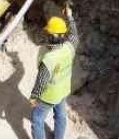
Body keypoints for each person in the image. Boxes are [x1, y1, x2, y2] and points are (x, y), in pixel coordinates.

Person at [30, 7, 79, 139]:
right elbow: (74, 34)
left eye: (49, 33)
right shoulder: (70, 47)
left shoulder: (48, 58)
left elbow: (41, 82)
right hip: (63, 91)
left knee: (37, 119)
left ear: (52, 36)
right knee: (61, 115)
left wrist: (34, 97)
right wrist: (70, 16)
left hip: (48, 96)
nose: (47, 34)